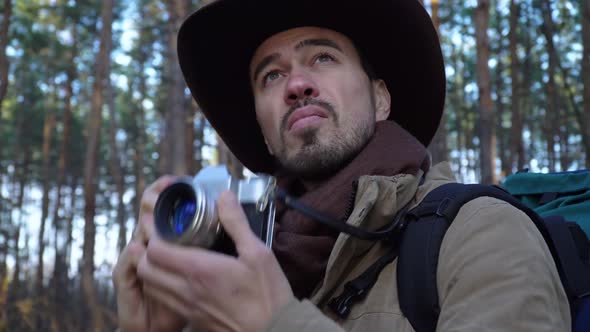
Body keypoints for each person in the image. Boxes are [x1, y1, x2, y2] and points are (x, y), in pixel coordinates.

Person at [112, 0, 571, 331]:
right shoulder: (229, 271)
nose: (295, 84)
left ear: (379, 98)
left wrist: (278, 323)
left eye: (323, 57)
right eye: (271, 75)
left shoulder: (478, 231)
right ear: (264, 130)